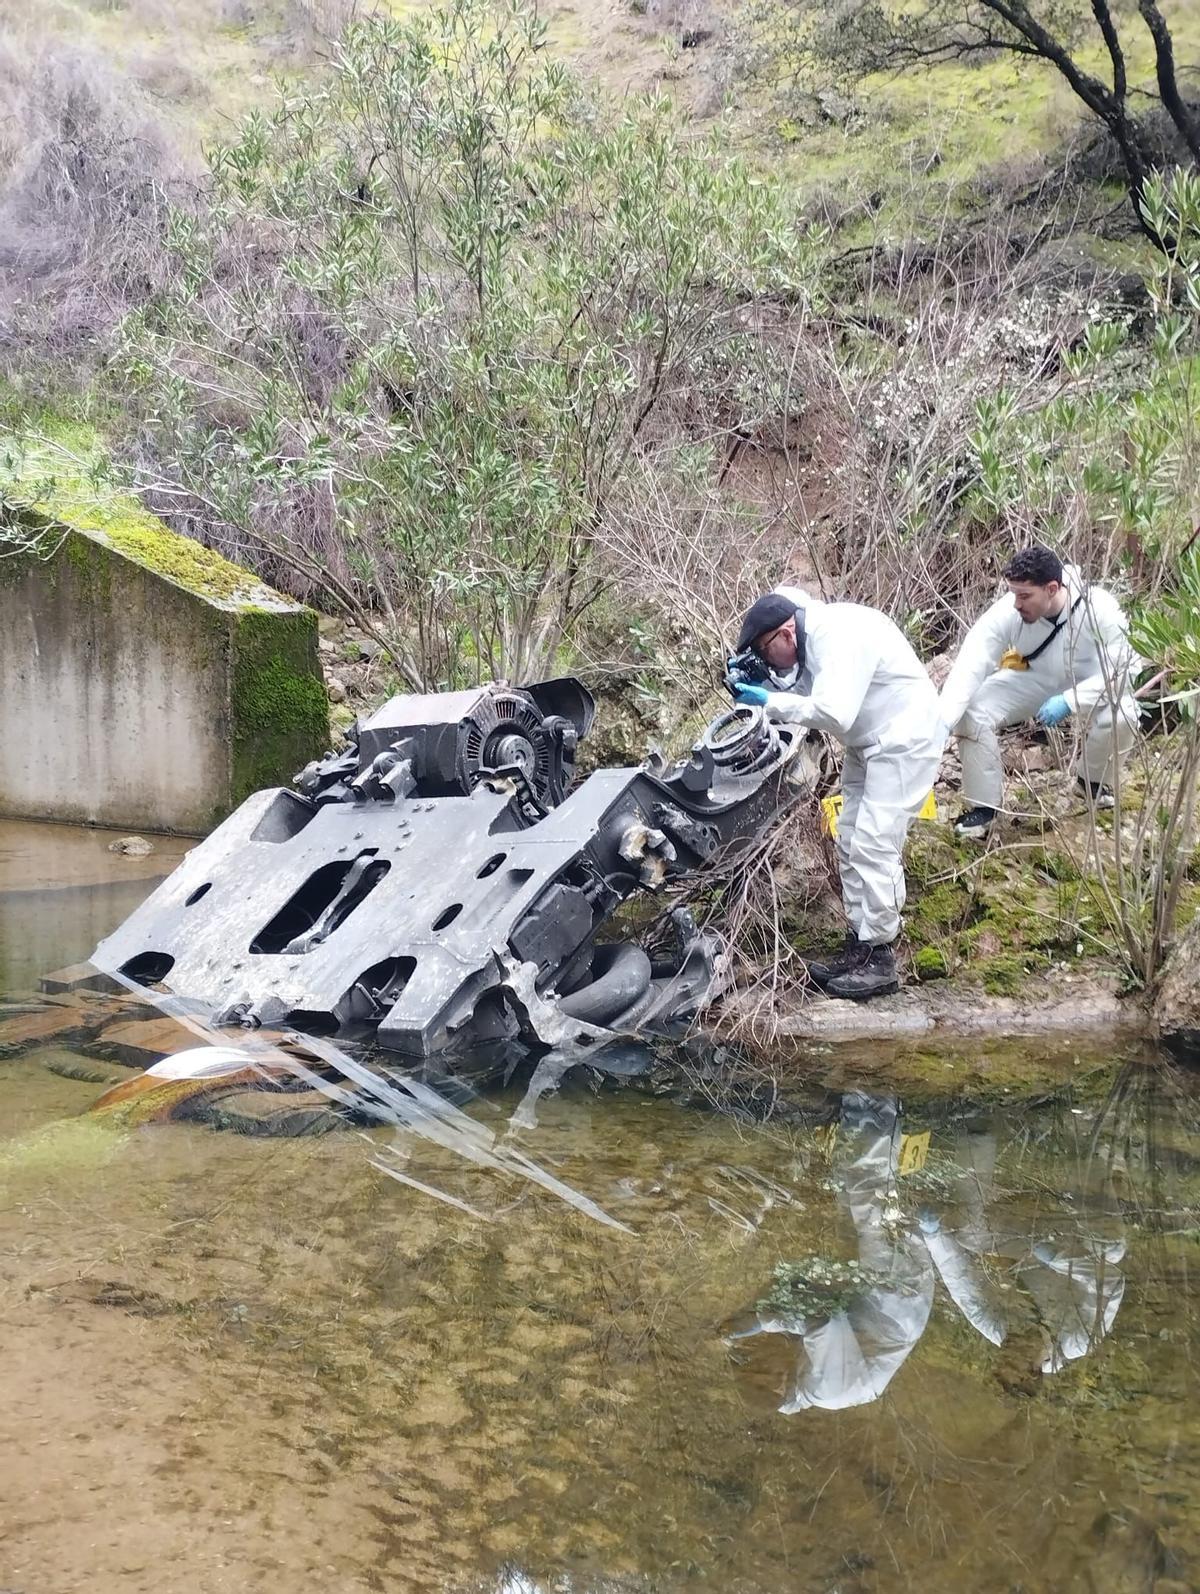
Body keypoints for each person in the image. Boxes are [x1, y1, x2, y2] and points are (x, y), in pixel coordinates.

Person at [729, 586, 944, 1000]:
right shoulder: (812, 641)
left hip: (905, 738)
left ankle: (881, 958)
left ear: (786, 634)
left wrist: (769, 702)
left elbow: (833, 711)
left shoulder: (838, 635)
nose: (764, 657)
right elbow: (813, 696)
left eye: (763, 649)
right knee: (848, 838)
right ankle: (861, 943)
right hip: (870, 742)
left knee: (874, 842)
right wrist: (761, 686)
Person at [939, 546, 1140, 840]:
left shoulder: (1100, 609)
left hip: (1090, 684)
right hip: (1036, 679)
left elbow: (1125, 669)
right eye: (1013, 594)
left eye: (1024, 596)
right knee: (974, 710)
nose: (1016, 604)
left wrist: (1071, 701)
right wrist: (943, 719)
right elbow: (973, 660)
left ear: (1052, 588)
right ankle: (984, 808)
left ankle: (1093, 783)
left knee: (1125, 713)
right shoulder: (1009, 611)